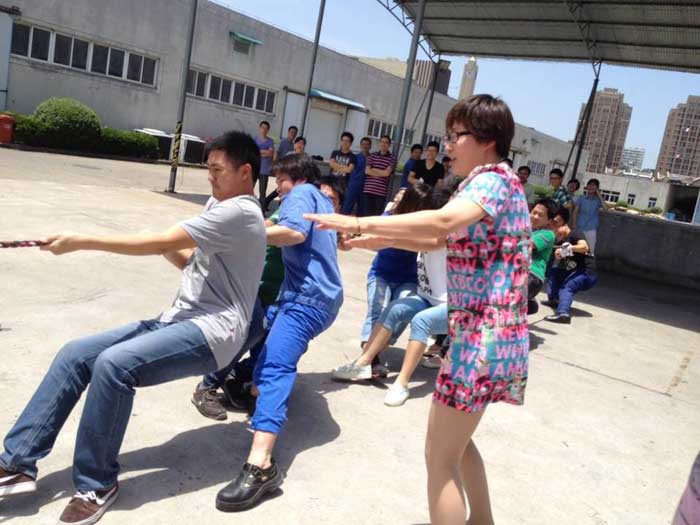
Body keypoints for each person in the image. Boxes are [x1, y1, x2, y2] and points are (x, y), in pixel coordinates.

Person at [0, 131, 267, 525]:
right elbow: (192, 264)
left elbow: (163, 241)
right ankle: (16, 463)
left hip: (215, 331)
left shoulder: (240, 211)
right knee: (76, 354)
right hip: (179, 318)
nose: (210, 177)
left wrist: (82, 241)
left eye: (217, 170)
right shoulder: (219, 204)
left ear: (245, 172)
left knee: (114, 365)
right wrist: (163, 245)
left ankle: (97, 484)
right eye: (208, 169)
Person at [306, 94, 531, 525]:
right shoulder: (498, 183)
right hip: (492, 338)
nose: (447, 145)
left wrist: (359, 221)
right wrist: (378, 240)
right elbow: (438, 239)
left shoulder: (491, 181)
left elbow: (441, 223)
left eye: (456, 135)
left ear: (487, 139)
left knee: (439, 457)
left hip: (478, 339)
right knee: (457, 446)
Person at [215, 154, 343, 512]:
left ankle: (261, 466)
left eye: (280, 180)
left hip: (306, 300)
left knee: (275, 369)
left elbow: (293, 233)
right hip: (308, 298)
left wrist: (239, 237)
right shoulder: (320, 198)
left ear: (295, 176)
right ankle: (250, 389)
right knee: (261, 333)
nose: (277, 188)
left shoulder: (300, 194)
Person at [332, 188, 451, 407]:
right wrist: (363, 237)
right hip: (428, 298)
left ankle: (401, 383)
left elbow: (412, 240)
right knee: (395, 308)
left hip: (453, 307)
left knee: (421, 321)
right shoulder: (421, 228)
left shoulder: (445, 236)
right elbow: (396, 235)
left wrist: (370, 235)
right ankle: (362, 364)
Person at [351, 183, 433, 376]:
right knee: (377, 309)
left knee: (404, 310)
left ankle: (374, 352)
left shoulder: (424, 223)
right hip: (381, 274)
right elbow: (372, 236)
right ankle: (372, 359)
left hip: (409, 279)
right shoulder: (389, 218)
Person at [544, 206, 598, 324]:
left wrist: (570, 248)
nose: (556, 233)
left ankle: (563, 314)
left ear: (564, 225)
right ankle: (554, 299)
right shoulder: (561, 241)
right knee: (554, 272)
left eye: (557, 229)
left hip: (587, 273)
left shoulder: (575, 233)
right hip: (574, 271)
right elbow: (562, 259)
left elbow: (584, 247)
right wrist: (559, 255)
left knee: (567, 287)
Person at [527, 198, 558, 314]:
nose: (535, 217)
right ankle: (529, 304)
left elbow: (528, 245)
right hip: (517, 272)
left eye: (540, 215)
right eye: (534, 212)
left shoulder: (548, 234)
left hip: (532, 275)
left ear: (549, 220)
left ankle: (528, 303)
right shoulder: (527, 229)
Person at [363, 134, 397, 216]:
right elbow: (367, 171)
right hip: (368, 190)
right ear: (379, 143)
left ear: (389, 145)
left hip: (381, 192)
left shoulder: (392, 158)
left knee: (376, 216)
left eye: (386, 142)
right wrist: (382, 172)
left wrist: (373, 169)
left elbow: (387, 173)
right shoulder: (372, 155)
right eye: (382, 142)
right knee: (366, 215)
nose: (383, 144)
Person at [572, 178, 606, 255]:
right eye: (589, 184)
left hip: (591, 229)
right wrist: (574, 226)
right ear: (587, 186)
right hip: (580, 227)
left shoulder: (597, 200)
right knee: (578, 249)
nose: (591, 187)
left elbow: (606, 208)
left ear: (597, 188)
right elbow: (575, 212)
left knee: (591, 250)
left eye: (594, 185)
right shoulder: (582, 198)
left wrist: (599, 194)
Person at [255, 120, 275, 211]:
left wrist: (259, 151)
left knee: (262, 193)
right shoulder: (255, 139)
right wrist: (264, 152)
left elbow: (270, 153)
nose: (264, 130)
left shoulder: (270, 141)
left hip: (264, 170)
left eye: (266, 128)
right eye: (262, 127)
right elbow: (253, 152)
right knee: (248, 190)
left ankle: (262, 211)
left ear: (268, 130)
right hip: (255, 168)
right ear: (260, 128)